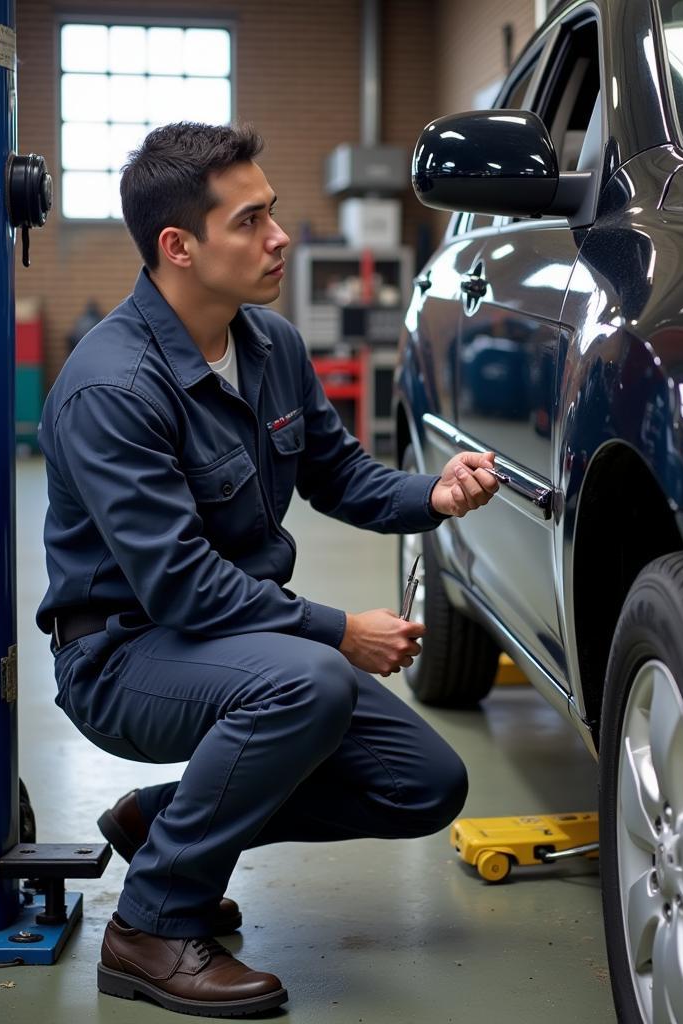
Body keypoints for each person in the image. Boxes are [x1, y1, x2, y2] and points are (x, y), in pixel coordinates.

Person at [36, 121, 499, 1018]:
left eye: (272, 214)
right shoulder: (113, 389)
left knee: (424, 784)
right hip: (123, 655)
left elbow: (339, 474)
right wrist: (339, 631)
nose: (279, 237)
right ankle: (151, 925)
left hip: (239, 640)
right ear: (178, 247)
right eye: (250, 221)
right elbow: (179, 586)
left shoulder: (269, 345)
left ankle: (162, 827)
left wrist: (430, 495)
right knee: (309, 685)